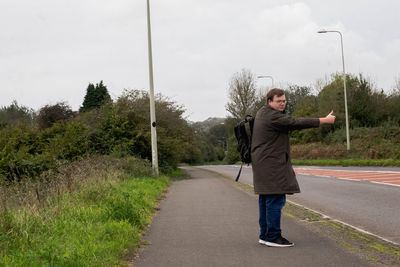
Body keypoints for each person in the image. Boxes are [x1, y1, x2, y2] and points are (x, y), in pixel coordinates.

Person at [251, 88, 335, 247]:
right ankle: (273, 236)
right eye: (279, 101)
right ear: (270, 101)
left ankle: (265, 235)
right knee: (275, 199)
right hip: (272, 165)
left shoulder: (263, 112)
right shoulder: (273, 116)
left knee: (266, 200)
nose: (282, 103)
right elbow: (295, 122)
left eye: (284, 101)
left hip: (264, 163)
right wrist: (324, 120)